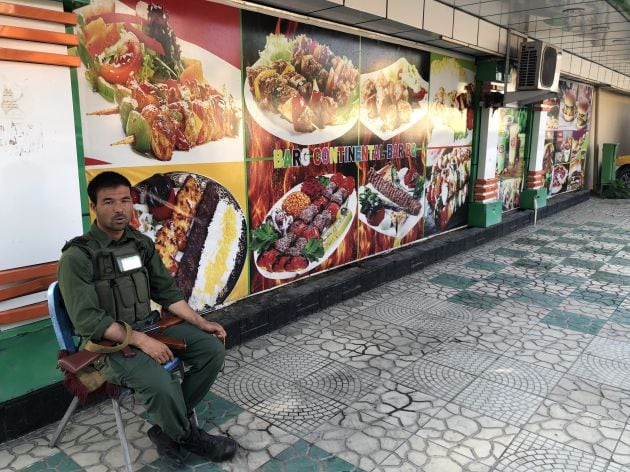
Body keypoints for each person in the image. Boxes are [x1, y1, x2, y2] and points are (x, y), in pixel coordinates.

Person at [57, 171, 237, 468]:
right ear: (93, 206)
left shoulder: (140, 244)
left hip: (151, 327)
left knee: (212, 351)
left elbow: (168, 292)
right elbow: (89, 321)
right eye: (109, 202)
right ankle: (186, 435)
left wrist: (201, 322)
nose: (119, 209)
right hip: (109, 346)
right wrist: (141, 342)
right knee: (161, 383)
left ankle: (167, 429)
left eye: (125, 200)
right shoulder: (78, 257)